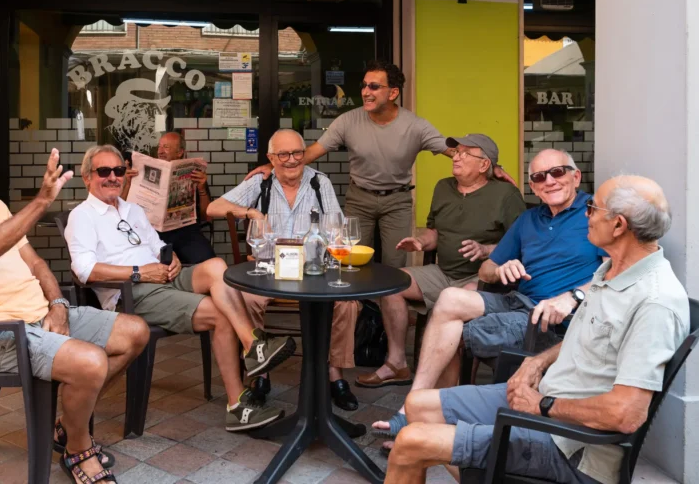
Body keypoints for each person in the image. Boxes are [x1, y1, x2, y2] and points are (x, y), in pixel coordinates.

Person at [384, 175, 689, 484]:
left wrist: (543, 406)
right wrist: (537, 361)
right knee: (418, 405)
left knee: (411, 443)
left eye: (592, 208)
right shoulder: (611, 270)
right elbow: (589, 334)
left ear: (619, 225)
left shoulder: (655, 302)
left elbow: (627, 413)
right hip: (547, 397)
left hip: (570, 446)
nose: (586, 214)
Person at [0, 125, 147, 484]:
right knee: (90, 362)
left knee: (134, 332)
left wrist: (58, 304)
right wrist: (41, 201)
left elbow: (35, 263)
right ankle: (79, 449)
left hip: (39, 315)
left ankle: (67, 423)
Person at [373, 148, 607, 444]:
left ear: (576, 177)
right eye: (539, 177)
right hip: (520, 303)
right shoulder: (529, 219)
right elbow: (486, 269)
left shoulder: (594, 214)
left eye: (557, 172)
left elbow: (615, 273)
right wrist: (502, 268)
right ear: (532, 186)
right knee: (449, 298)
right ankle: (413, 405)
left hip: (555, 319)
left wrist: (574, 295)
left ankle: (428, 421)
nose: (549, 181)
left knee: (452, 332)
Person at [65, 144, 295, 431]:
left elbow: (158, 245)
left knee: (214, 266)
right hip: (132, 293)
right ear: (87, 177)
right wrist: (139, 273)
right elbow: (84, 271)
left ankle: (252, 345)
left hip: (163, 277)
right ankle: (238, 402)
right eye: (104, 171)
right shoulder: (82, 216)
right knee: (221, 313)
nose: (113, 177)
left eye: (119, 171)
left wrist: (171, 257)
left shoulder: (132, 209)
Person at [245, 59, 515, 269]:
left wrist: (492, 167)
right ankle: (360, 324)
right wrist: (275, 166)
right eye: (363, 85)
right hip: (359, 198)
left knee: (395, 266)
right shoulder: (348, 121)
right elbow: (312, 152)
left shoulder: (416, 126)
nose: (365, 91)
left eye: (374, 86)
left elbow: (457, 151)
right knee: (351, 262)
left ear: (393, 92)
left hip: (396, 202)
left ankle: (385, 330)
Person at [356, 134, 527, 389]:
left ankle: (447, 386)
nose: (456, 157)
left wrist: (486, 249)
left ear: (484, 165)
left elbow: (522, 243)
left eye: (465, 153)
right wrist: (421, 242)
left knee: (450, 304)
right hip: (443, 272)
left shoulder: (506, 194)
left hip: (481, 277)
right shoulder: (443, 187)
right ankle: (397, 363)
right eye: (456, 152)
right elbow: (434, 231)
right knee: (392, 285)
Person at [207, 129, 361, 411]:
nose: (291, 160)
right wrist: (251, 213)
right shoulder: (261, 183)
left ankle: (335, 375)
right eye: (283, 154)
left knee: (347, 302)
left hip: (313, 269)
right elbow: (213, 207)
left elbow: (337, 228)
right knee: (246, 300)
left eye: (297, 153)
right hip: (268, 269)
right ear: (270, 158)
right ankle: (260, 375)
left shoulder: (319, 182)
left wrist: (330, 243)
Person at [123, 131, 215, 264]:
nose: (160, 151)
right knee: (140, 260)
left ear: (180, 152)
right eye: (159, 147)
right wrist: (127, 184)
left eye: (166, 147)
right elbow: (121, 210)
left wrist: (201, 188)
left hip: (186, 232)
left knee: (209, 262)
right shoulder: (140, 172)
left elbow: (208, 216)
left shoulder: (194, 175)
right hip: (151, 232)